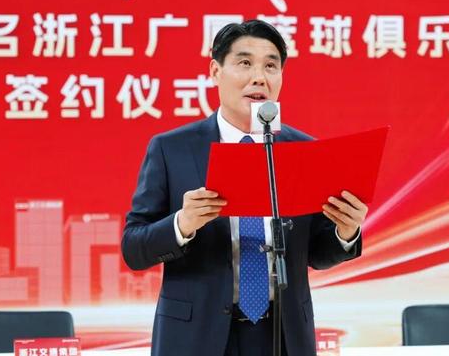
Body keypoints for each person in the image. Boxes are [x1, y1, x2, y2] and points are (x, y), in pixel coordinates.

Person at [121, 19, 368, 356]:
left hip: (282, 334)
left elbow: (318, 254)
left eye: (271, 66)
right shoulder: (172, 149)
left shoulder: (304, 151)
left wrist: (345, 232)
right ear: (215, 71)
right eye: (245, 63)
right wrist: (183, 224)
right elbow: (134, 249)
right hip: (196, 337)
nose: (259, 77)